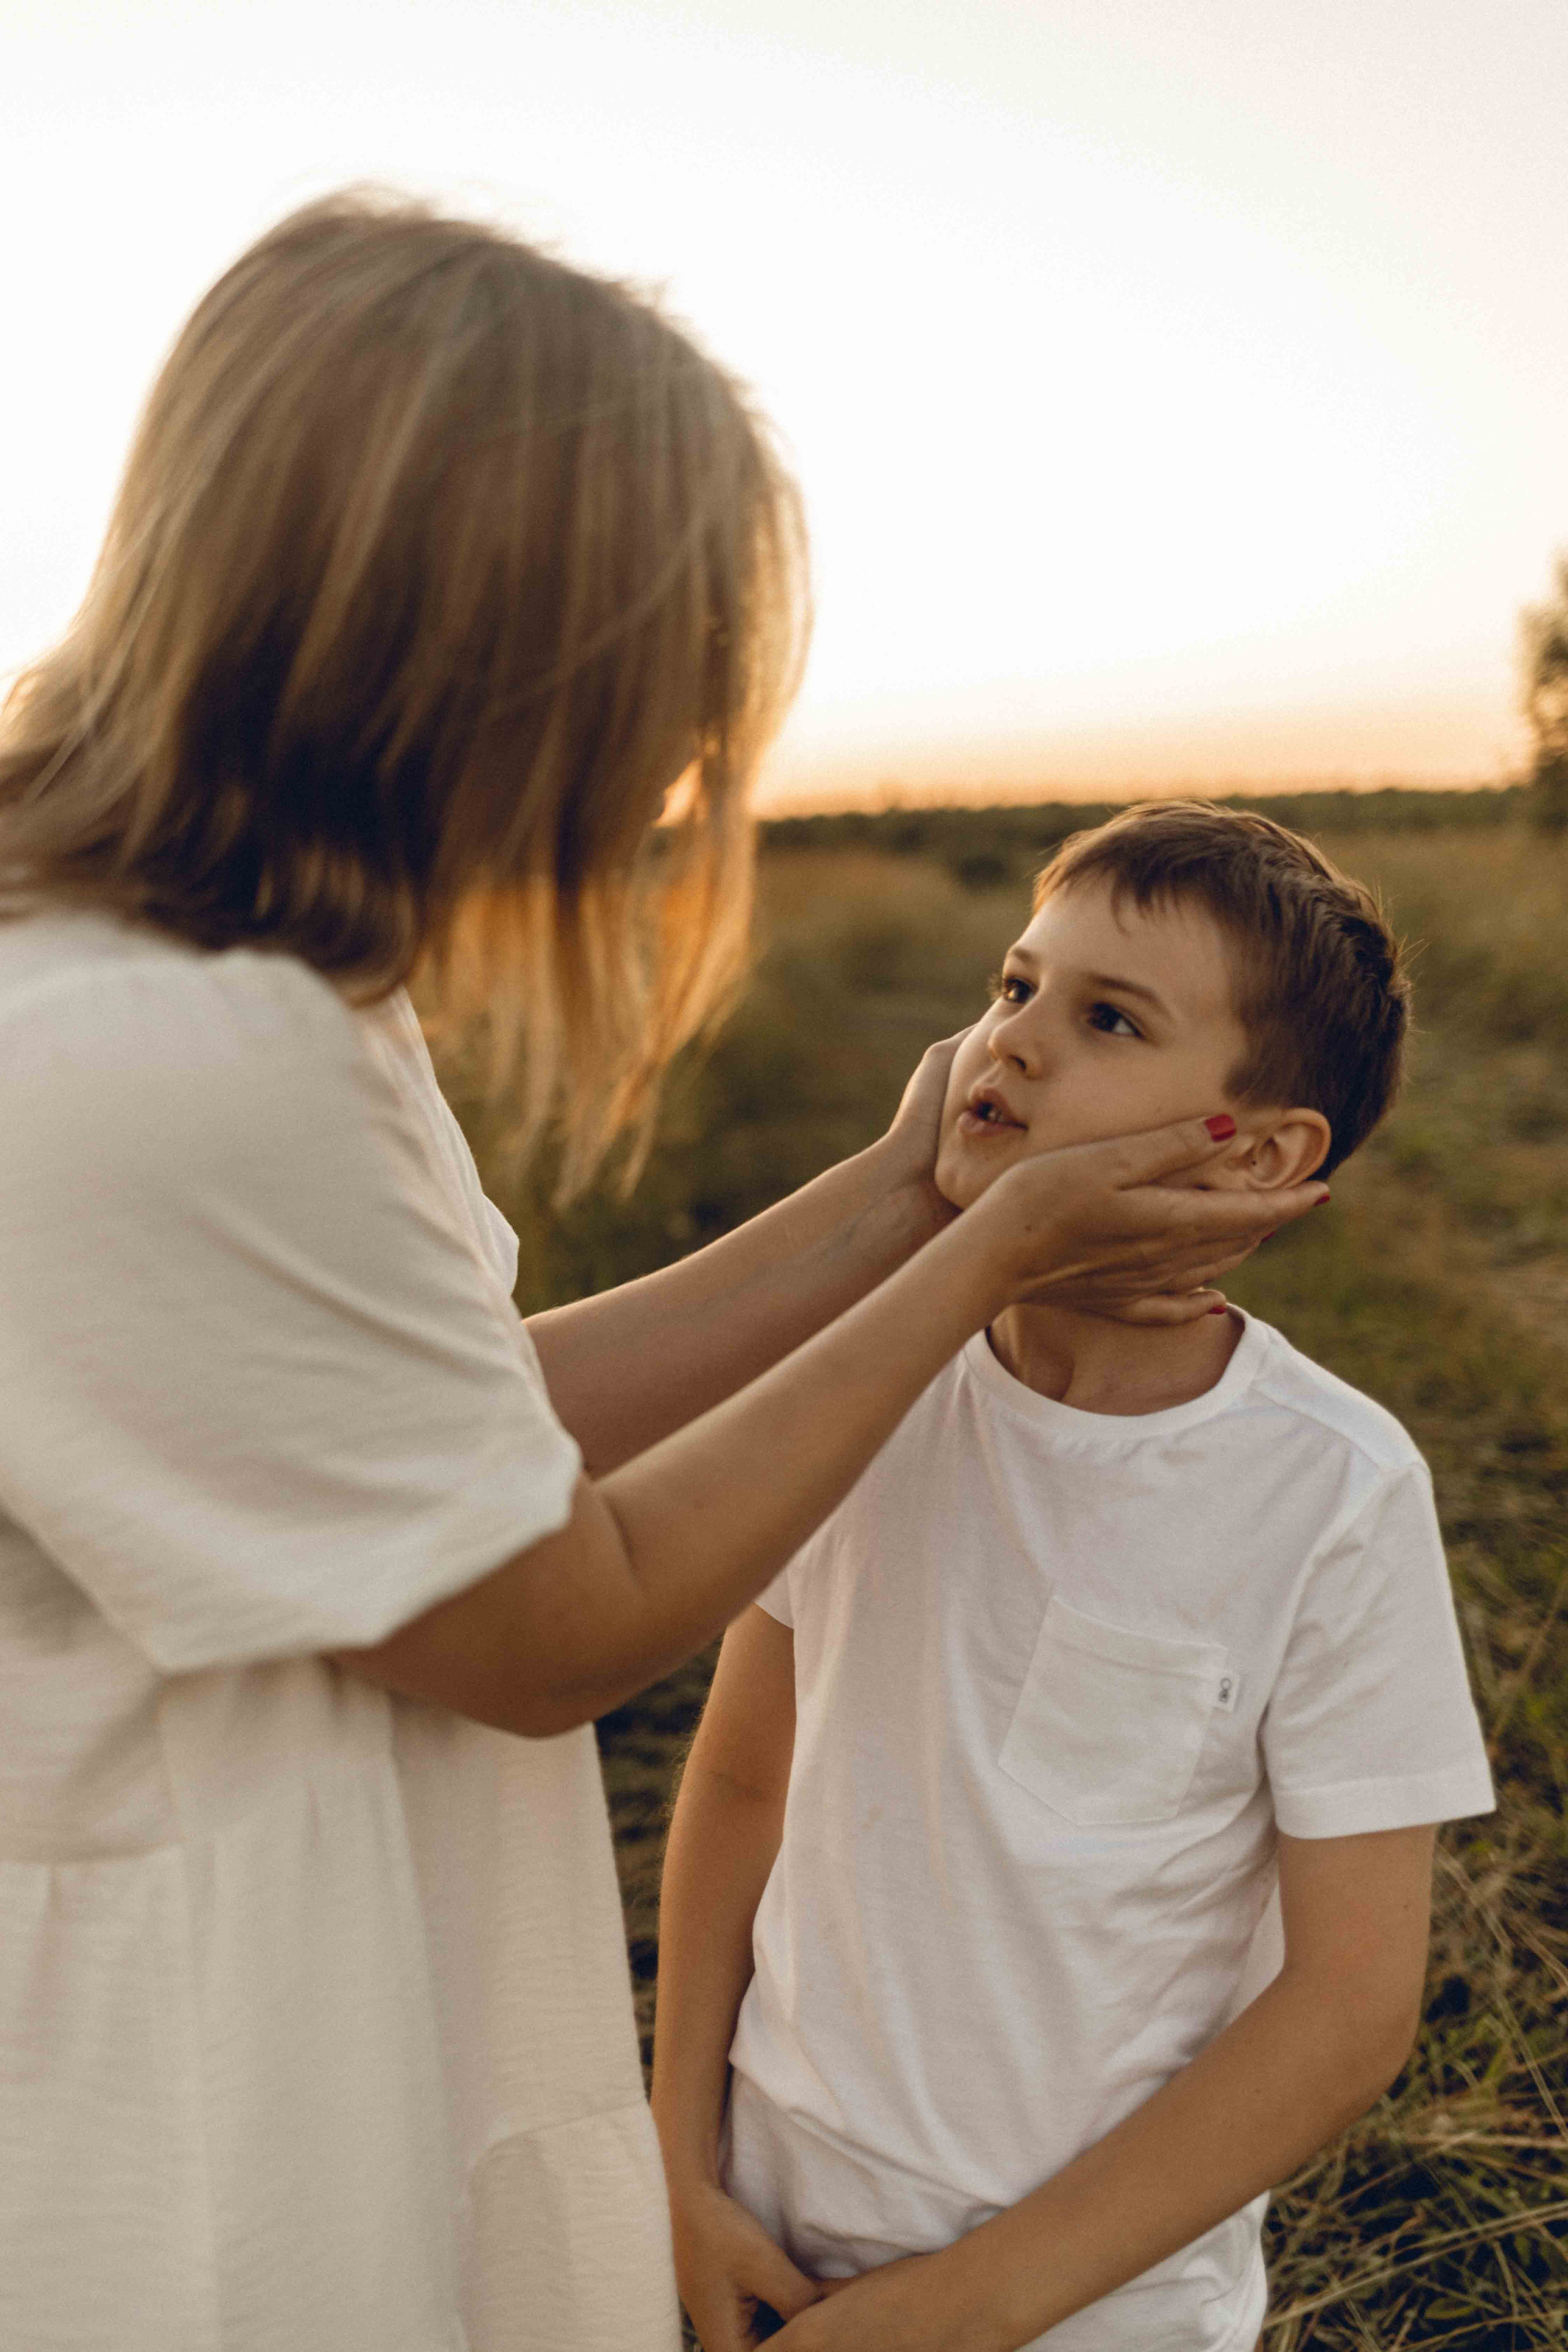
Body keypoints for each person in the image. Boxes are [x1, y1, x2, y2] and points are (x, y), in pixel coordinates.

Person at [0, 202, 1325, 2352]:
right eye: (652, 673)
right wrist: (982, 1250)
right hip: (167, 2072)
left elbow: (442, 1429)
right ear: (464, 653)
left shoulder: (247, 978)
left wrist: (904, 1197)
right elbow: (557, 1623)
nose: (679, 764)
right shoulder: (157, 1055)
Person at [653, 801, 1497, 2352]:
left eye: (1107, 1018)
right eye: (1013, 985)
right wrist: (676, 2158)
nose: (1016, 1041)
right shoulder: (862, 1385)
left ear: (1258, 1153)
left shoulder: (1332, 1488)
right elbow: (743, 1776)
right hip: (757, 2236)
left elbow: (1347, 2007)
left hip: (1083, 2308)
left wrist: (965, 2309)